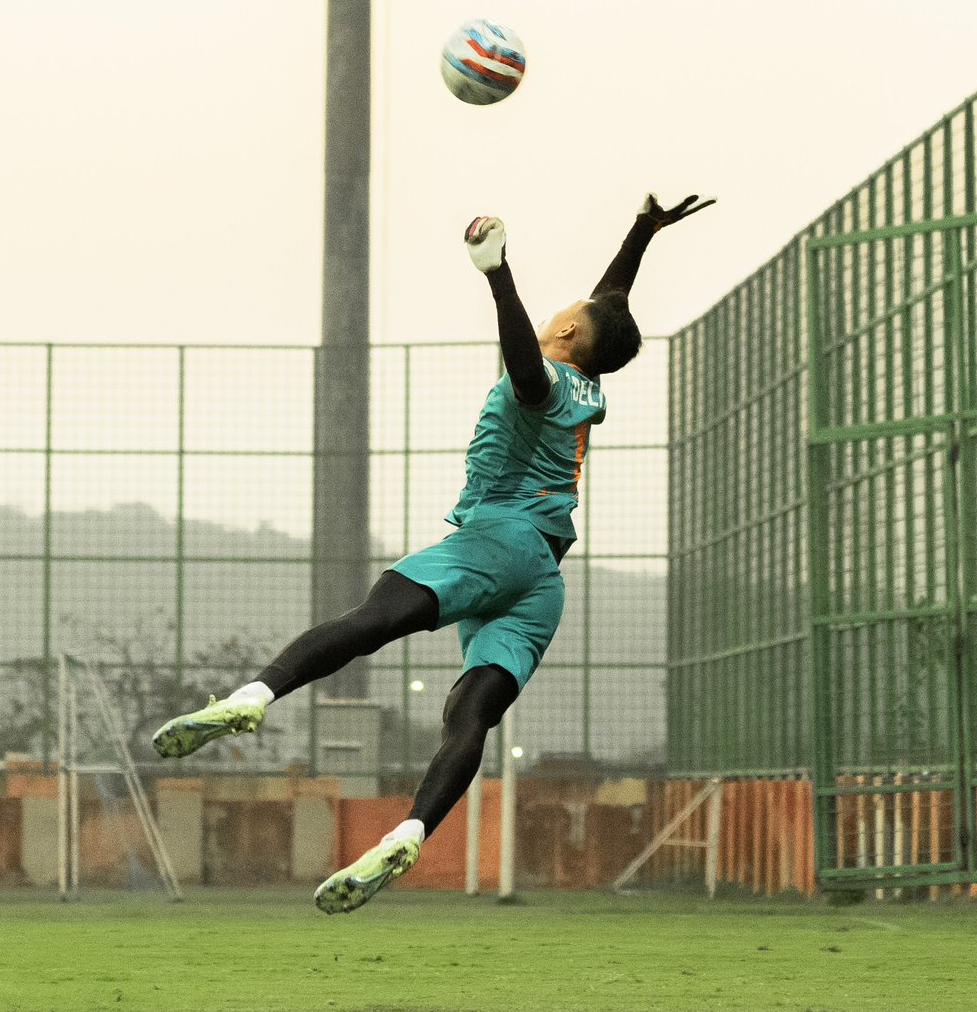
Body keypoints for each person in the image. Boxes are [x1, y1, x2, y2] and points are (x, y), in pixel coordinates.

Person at [152, 193, 715, 913]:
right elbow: (611, 302)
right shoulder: (590, 383)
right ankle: (411, 832)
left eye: (569, 310)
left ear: (569, 329)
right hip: (542, 581)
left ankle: (252, 697)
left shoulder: (544, 380)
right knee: (468, 713)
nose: (566, 307)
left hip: (497, 541)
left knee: (370, 621)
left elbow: (526, 366)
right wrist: (643, 231)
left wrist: (498, 273)